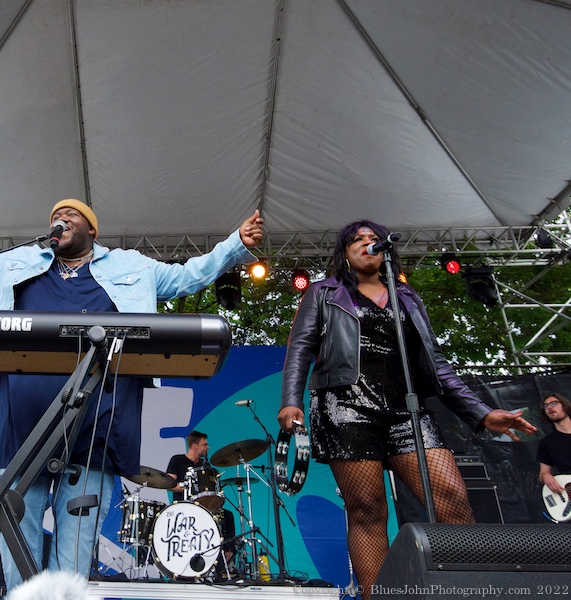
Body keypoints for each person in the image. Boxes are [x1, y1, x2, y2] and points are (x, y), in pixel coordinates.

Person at [0, 189, 263, 587]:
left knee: (75, 543)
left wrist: (235, 246)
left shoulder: (133, 266)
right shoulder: (16, 264)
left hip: (97, 426)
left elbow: (187, 276)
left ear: (92, 229)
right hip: (27, 426)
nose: (59, 218)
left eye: (69, 214)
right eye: (55, 215)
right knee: (17, 529)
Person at [277, 220, 536, 600]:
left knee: (451, 495)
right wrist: (290, 400)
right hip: (347, 408)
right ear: (344, 253)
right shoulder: (323, 293)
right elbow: (300, 348)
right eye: (357, 240)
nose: (367, 244)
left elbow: (437, 364)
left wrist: (481, 413)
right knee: (367, 509)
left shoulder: (407, 297)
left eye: (373, 239)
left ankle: (470, 591)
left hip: (406, 412)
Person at [166, 431, 237, 579]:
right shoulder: (178, 460)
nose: (208, 447)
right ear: (194, 445)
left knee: (228, 515)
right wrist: (187, 486)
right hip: (183, 507)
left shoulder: (206, 466)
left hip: (205, 508)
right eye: (205, 444)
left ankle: (226, 558)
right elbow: (169, 483)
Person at [536, 392, 571, 500]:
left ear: (565, 405)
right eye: (546, 406)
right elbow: (543, 474)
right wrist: (545, 476)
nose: (549, 407)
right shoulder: (547, 443)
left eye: (554, 403)